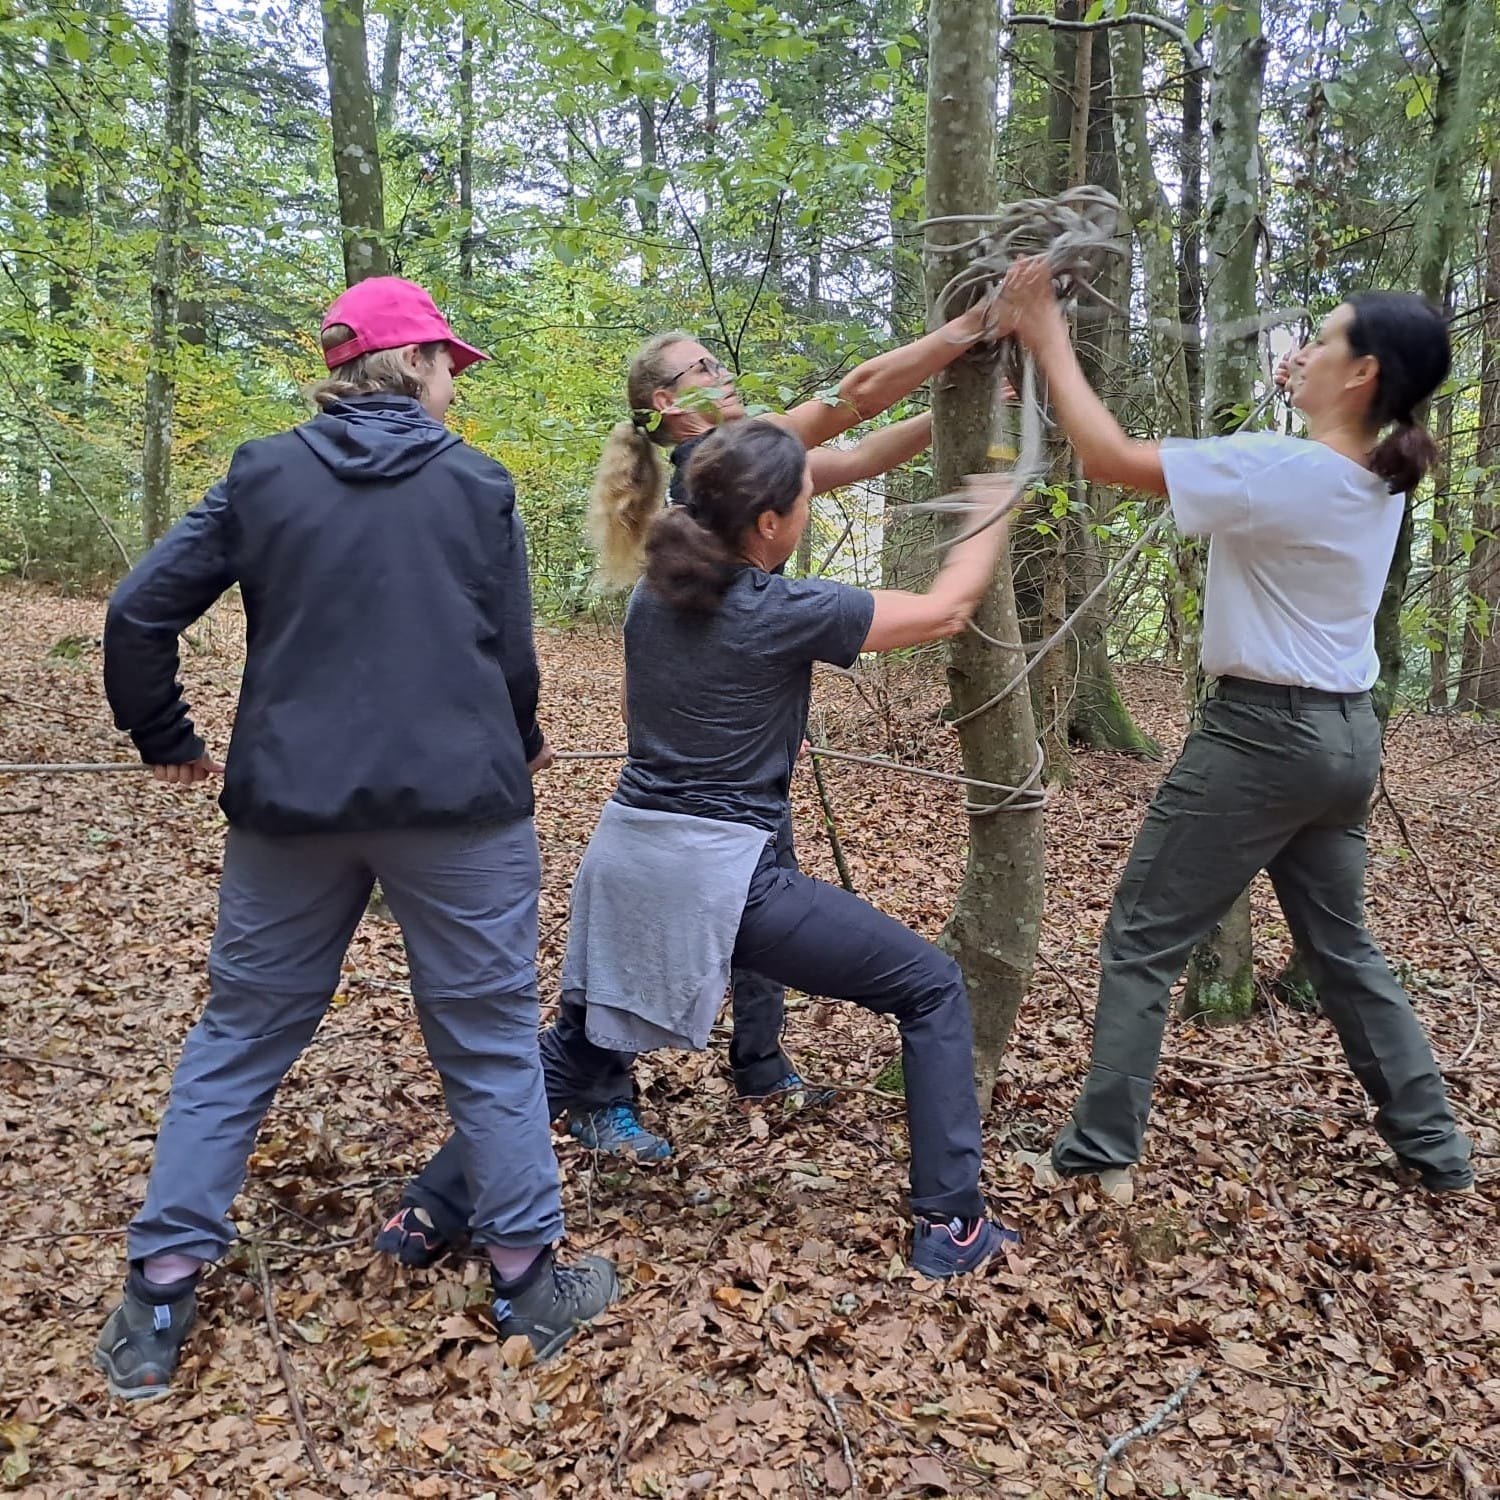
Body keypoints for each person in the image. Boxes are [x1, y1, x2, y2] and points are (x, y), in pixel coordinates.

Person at [373, 306, 1014, 1268]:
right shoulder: (776, 608)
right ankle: (948, 1223)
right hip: (718, 876)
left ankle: (427, 1213)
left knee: (570, 1054)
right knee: (929, 990)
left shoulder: (662, 580)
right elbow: (949, 608)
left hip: (626, 858)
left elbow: (843, 428)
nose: (809, 508)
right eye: (800, 504)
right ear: (767, 523)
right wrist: (997, 479)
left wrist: (956, 407)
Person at [93, 278, 618, 1400]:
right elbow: (510, 655)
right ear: (413, 364)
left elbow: (140, 610)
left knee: (240, 1033)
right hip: (459, 814)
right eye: (447, 365)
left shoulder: (262, 475)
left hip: (294, 809)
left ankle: (158, 1297)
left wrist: (163, 735)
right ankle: (527, 1280)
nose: (452, 385)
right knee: (484, 1041)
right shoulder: (477, 486)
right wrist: (518, 738)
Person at [998, 256, 1474, 1203]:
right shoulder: (1370, 475)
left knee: (1141, 935)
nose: (1302, 351)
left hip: (1262, 741)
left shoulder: (1290, 468)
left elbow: (1107, 460)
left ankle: (1099, 1154)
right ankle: (1436, 1150)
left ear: (1365, 372)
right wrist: (1294, 391)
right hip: (1344, 744)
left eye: (1325, 341)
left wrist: (1044, 330)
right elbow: (1262, 465)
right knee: (1344, 950)